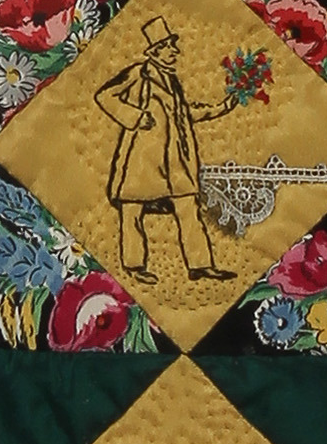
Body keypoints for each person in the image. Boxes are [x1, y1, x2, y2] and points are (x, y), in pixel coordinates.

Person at [94, 17, 236, 287]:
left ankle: (200, 265)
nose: (175, 51)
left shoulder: (171, 80)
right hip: (141, 159)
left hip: (174, 161)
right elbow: (105, 96)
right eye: (170, 46)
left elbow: (183, 113)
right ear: (156, 50)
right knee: (132, 210)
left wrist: (220, 109)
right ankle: (134, 266)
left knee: (188, 209)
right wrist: (134, 116)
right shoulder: (139, 73)